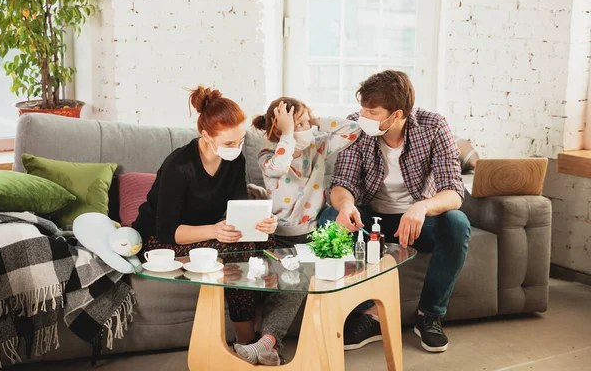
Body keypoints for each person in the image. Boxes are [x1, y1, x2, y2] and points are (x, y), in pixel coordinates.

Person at [133, 85, 288, 365]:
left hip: (210, 231)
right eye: (228, 143)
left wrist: (262, 223)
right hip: (162, 238)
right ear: (205, 135)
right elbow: (167, 230)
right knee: (235, 251)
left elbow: (238, 209)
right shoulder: (178, 166)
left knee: (268, 243)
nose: (236, 148)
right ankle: (247, 342)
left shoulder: (234, 159)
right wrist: (216, 231)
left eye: (240, 141)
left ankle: (266, 338)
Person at [319, 70, 471, 353]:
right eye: (363, 108)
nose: (363, 116)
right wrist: (346, 205)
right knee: (329, 221)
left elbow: (454, 191)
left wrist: (422, 206)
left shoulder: (433, 126)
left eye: (372, 112)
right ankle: (368, 314)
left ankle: (429, 316)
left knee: (457, 223)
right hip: (368, 219)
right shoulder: (356, 127)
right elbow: (342, 183)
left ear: (397, 114)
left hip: (414, 222)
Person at [252, 98, 361, 247]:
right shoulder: (268, 156)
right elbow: (279, 167)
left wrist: (315, 120)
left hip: (315, 230)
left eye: (307, 123)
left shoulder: (317, 146)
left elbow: (354, 129)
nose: (307, 128)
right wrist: (288, 133)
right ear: (279, 132)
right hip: (280, 235)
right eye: (299, 125)